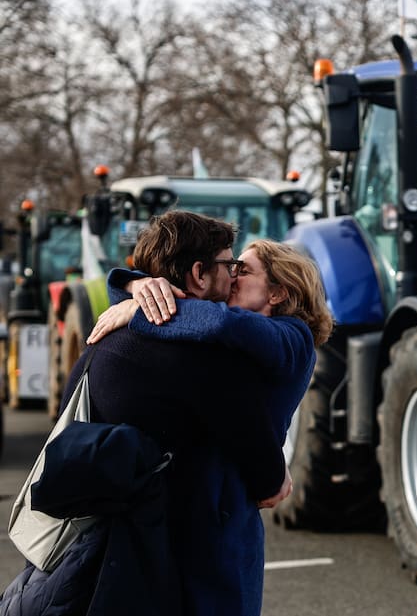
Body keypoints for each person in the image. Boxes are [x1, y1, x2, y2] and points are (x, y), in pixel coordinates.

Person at [10, 211, 291, 615]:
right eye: (229, 265)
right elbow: (267, 477)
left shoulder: (103, 340)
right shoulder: (208, 361)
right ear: (198, 274)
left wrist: (127, 287)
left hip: (83, 571)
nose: (234, 277)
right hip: (170, 576)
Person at [86, 221, 332, 616]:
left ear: (279, 292)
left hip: (228, 513)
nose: (232, 276)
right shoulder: (237, 337)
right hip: (202, 503)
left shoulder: (293, 339)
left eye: (244, 270)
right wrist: (134, 287)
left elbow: (217, 322)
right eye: (231, 266)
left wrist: (137, 308)